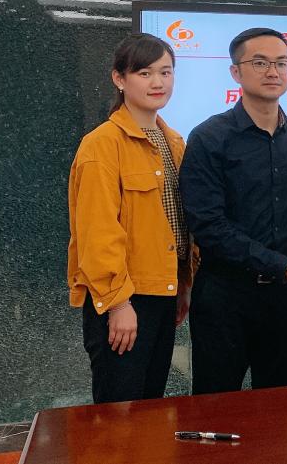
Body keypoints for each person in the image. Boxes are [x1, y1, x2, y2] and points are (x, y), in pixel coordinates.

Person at [180, 27, 287, 394]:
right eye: (260, 63)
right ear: (236, 72)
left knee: (280, 407)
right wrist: (283, 266)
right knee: (216, 405)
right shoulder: (209, 137)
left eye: (282, 63)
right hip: (225, 296)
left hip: (286, 299)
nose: (273, 72)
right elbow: (208, 225)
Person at [67, 33, 193, 403]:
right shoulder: (102, 144)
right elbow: (97, 232)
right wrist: (119, 304)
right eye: (144, 73)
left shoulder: (174, 142)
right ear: (119, 79)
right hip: (124, 298)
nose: (158, 82)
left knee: (149, 407)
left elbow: (179, 223)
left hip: (163, 292)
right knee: (118, 413)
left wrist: (183, 284)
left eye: (165, 72)